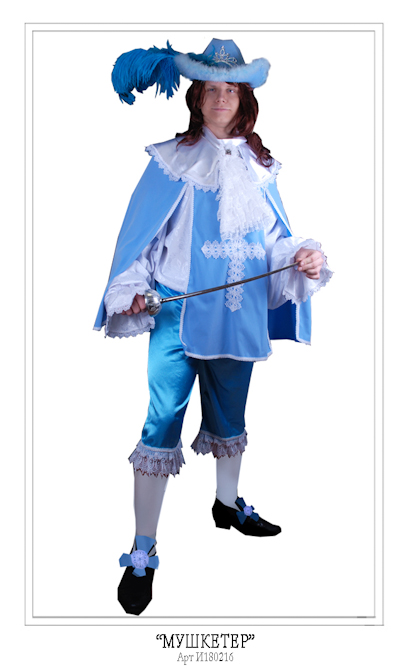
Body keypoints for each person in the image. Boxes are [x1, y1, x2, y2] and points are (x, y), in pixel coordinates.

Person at [94, 38, 332, 615]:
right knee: (161, 423)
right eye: (211, 90)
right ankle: (143, 548)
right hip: (177, 313)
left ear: (244, 99)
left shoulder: (261, 168)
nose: (221, 98)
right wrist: (132, 291)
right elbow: (140, 237)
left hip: (238, 313)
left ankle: (227, 505)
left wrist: (301, 257)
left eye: (231, 89)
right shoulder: (170, 162)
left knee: (231, 416)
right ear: (197, 97)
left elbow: (273, 242)